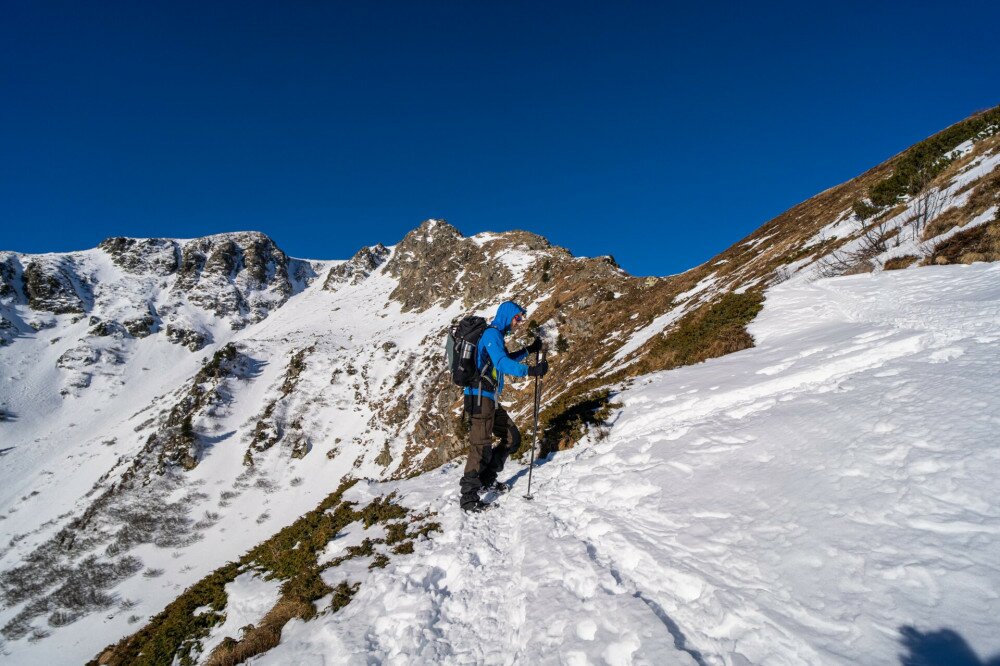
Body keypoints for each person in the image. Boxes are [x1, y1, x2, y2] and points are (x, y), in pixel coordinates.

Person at [460, 300, 548, 512]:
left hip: (489, 399)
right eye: (518, 317)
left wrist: (528, 350)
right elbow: (501, 363)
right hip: (480, 398)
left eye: (521, 318)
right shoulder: (491, 334)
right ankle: (469, 499)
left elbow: (503, 357)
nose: (520, 322)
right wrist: (530, 371)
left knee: (511, 438)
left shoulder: (495, 336)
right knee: (480, 446)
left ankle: (487, 479)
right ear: (508, 315)